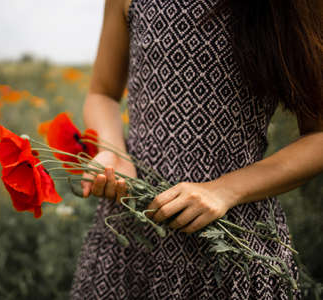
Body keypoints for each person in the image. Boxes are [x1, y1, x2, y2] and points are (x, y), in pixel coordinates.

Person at [70, 0, 323, 299]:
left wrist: (224, 190)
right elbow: (102, 94)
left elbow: (318, 136)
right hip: (128, 239)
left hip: (231, 248)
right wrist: (115, 155)